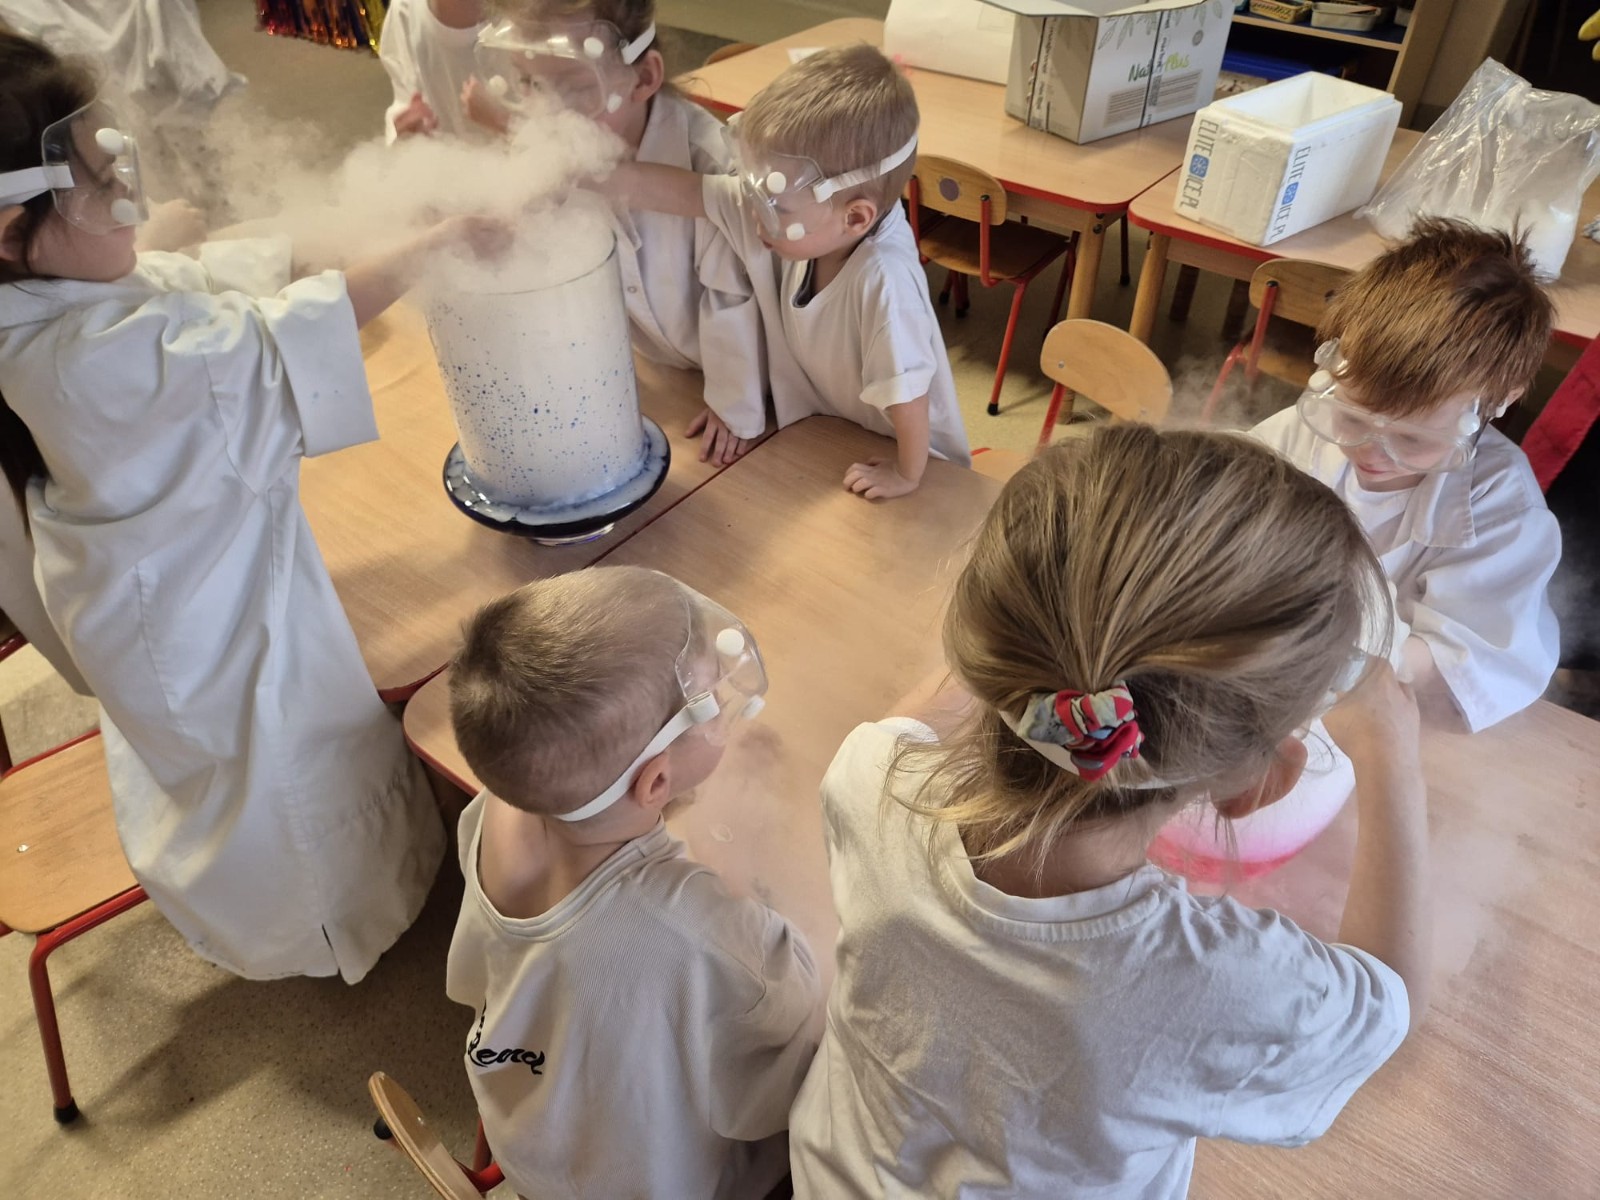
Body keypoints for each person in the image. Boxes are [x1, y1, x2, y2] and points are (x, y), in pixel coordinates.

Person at [789, 426, 1430, 1197]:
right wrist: (1391, 748)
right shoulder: (1219, 987)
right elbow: (1389, 1001)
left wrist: (1077, 583)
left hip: (830, 1173)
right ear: (1258, 786)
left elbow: (960, 687)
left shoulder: (873, 777)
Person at [0, 30, 503, 981]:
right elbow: (266, 346)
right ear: (7, 230)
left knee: (272, 748)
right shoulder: (84, 362)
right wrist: (438, 244)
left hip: (169, 584)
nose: (127, 199)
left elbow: (219, 278)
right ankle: (324, 928)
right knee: (284, 766)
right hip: (197, 618)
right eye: (100, 188)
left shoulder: (51, 293)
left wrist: (380, 217)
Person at [444, 567, 820, 1199]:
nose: (724, 707)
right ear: (655, 784)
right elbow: (791, 1062)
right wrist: (758, 876)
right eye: (711, 703)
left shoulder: (498, 808)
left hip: (528, 1138)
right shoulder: (701, 929)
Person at [605, 43, 971, 496]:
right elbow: (687, 192)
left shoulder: (884, 283)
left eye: (772, 208)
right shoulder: (811, 218)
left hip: (917, 464)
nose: (753, 216)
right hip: (834, 433)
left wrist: (905, 474)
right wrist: (580, 174)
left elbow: (908, 395)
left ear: (856, 217)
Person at [1252, 217, 1561, 732]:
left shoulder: (1503, 509)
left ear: (1498, 401)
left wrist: (1322, 659)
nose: (1371, 451)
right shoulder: (1299, 432)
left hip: (1391, 714)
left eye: (1413, 438)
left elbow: (1464, 665)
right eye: (1353, 417)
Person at [468, 0, 767, 464]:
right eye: (529, 83)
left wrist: (735, 405)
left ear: (644, 78)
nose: (548, 113)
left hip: (749, 380)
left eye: (574, 86)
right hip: (659, 375)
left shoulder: (707, 162)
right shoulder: (553, 154)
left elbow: (733, 297)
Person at [379, 0, 488, 142]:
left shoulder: (514, 16)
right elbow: (404, 99)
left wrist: (504, 123)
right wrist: (406, 131)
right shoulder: (405, 9)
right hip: (443, 151)